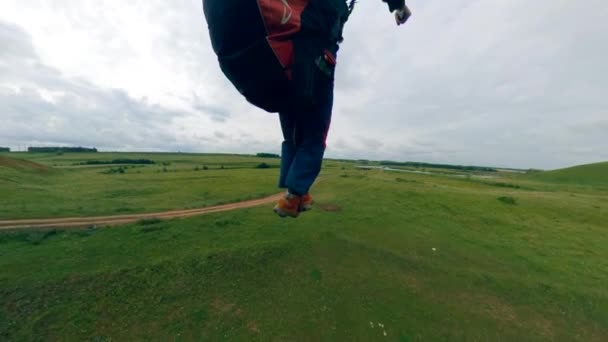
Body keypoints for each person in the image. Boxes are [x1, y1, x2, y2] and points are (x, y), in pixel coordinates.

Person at [202, 0, 411, 218]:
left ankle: (298, 193)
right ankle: (294, 194)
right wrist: (399, 6)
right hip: (316, 56)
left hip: (284, 63)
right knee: (316, 132)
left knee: (292, 124)